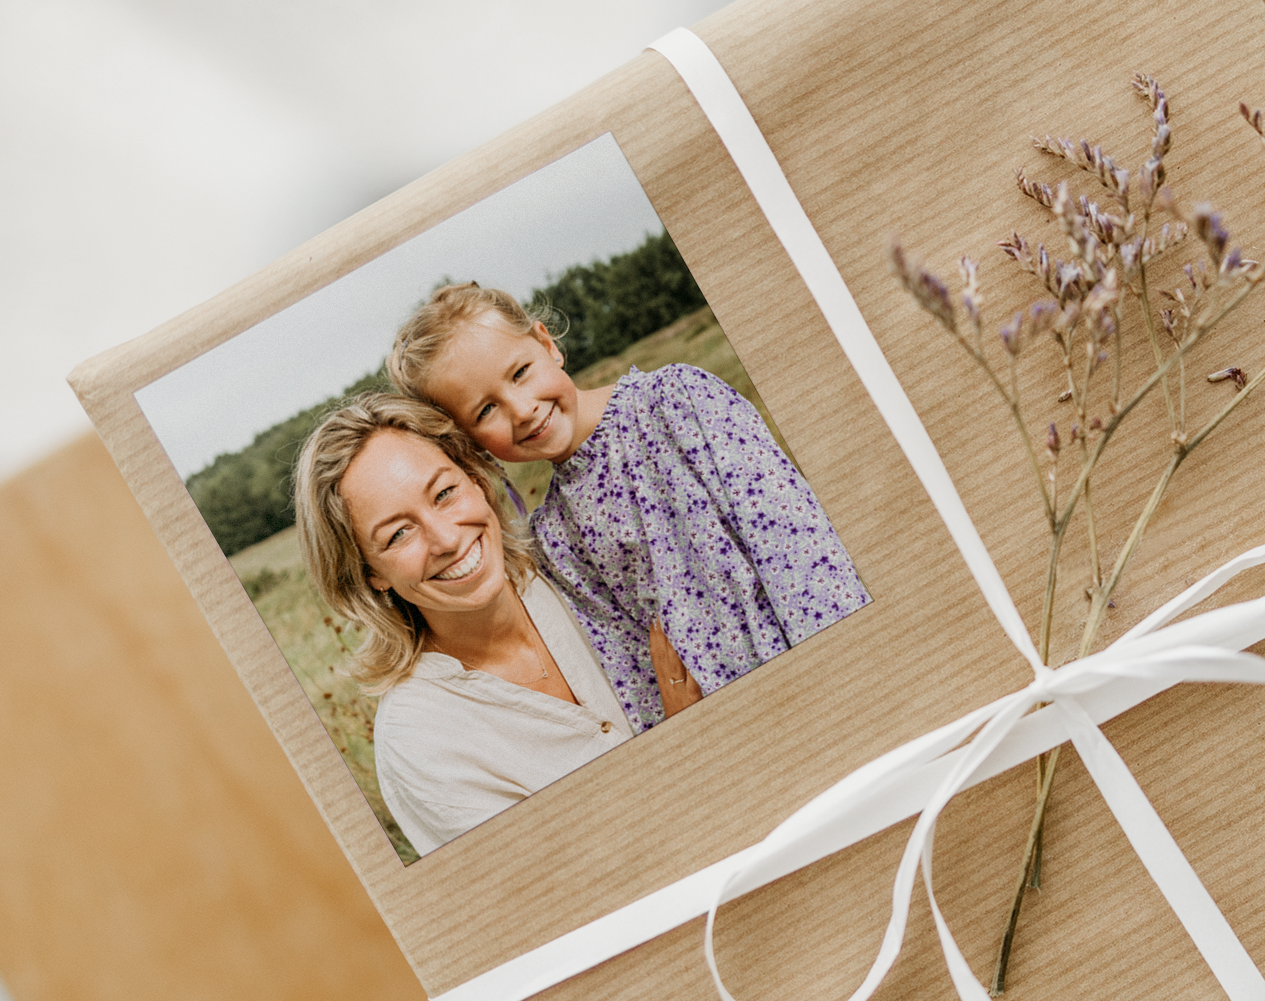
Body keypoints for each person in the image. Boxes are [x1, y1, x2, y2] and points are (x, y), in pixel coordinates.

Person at [387, 281, 869, 733]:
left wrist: (843, 665)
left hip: (827, 667)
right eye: (485, 410)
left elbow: (802, 553)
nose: (522, 409)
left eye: (520, 372)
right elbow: (632, 674)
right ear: (469, 441)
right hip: (737, 732)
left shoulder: (679, 401)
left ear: (546, 343)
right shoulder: (554, 537)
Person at [292, 392, 635, 856]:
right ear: (370, 572)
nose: (448, 539)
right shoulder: (421, 740)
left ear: (475, 481)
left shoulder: (582, 558)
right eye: (398, 533)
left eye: (445, 493)